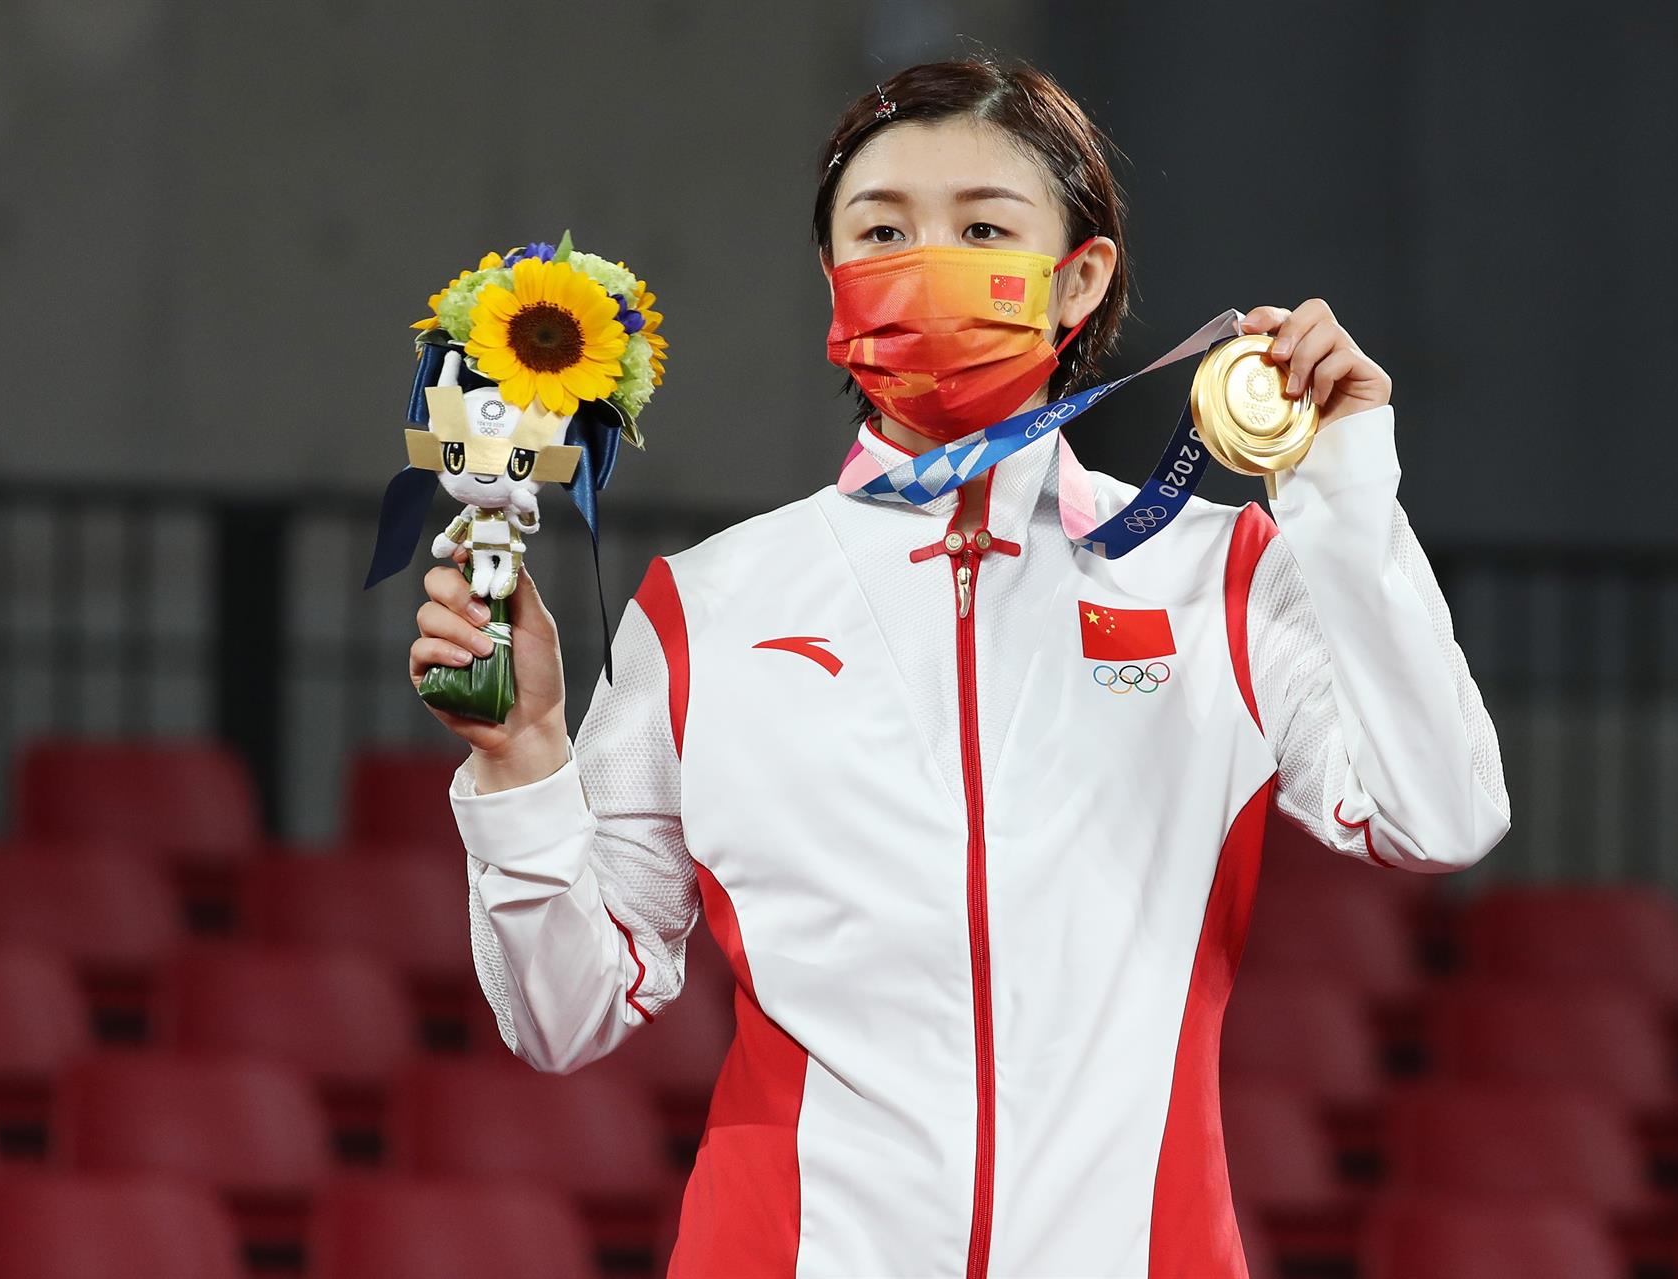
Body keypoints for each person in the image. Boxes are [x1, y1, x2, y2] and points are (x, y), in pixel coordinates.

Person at [407, 56, 1510, 1279]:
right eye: (882, 229)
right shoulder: (709, 607)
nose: (926, 260)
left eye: (983, 225)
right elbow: (563, 1014)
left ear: (1077, 278)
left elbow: (1441, 814)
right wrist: (522, 764)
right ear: (833, 278)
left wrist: (1346, 490)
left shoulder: (1217, 577)